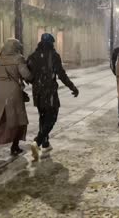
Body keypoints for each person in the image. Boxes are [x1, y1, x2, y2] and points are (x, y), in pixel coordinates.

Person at [27, 33, 79, 161]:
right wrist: (72, 87)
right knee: (52, 117)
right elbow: (61, 74)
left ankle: (45, 143)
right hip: (49, 91)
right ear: (51, 44)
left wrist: (34, 82)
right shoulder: (54, 56)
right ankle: (37, 142)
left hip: (37, 91)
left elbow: (27, 73)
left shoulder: (33, 56)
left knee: (43, 116)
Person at [0, 38, 32, 156]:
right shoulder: (18, 58)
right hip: (13, 90)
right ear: (16, 47)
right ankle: (15, 146)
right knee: (19, 119)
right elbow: (26, 75)